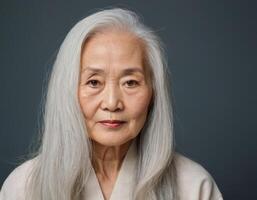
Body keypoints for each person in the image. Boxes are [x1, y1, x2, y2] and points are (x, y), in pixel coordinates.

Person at [0, 8, 223, 200]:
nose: (112, 103)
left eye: (130, 83)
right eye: (94, 82)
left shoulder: (193, 186)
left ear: (153, 93)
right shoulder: (24, 187)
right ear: (66, 91)